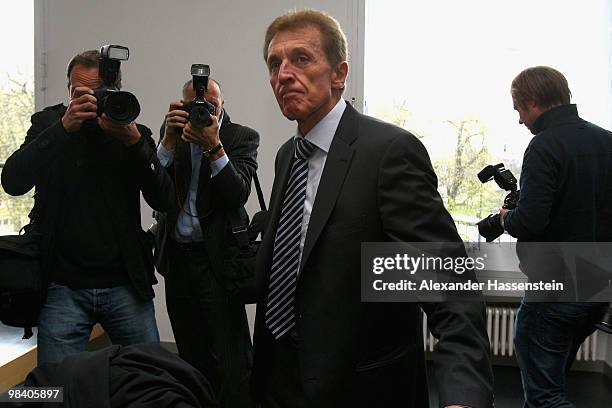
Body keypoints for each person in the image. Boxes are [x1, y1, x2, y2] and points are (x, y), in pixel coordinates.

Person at [251, 9, 494, 408]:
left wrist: (463, 396)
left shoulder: (388, 152)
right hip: (277, 378)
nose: (283, 74)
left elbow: (451, 286)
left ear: (339, 74)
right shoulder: (286, 157)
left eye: (301, 58)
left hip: (361, 388)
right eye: (274, 63)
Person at [0, 49, 173, 364]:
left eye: (99, 94)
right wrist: (64, 128)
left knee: (152, 382)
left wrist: (134, 143)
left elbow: (164, 200)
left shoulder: (130, 130)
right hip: (62, 285)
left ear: (115, 92)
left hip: (125, 285)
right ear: (68, 91)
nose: (90, 102)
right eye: (79, 94)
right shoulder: (50, 124)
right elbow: (12, 181)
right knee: (54, 390)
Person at [500, 66, 612, 408]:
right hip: (597, 287)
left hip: (555, 288)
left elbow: (530, 222)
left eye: (519, 109)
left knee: (546, 396)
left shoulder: (544, 146)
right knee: (549, 381)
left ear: (533, 101)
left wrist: (507, 219)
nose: (520, 120)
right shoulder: (606, 140)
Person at [155, 77, 259, 408]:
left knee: (231, 360)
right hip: (178, 260)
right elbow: (154, 186)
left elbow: (237, 195)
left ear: (222, 104)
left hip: (219, 263)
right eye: (195, 105)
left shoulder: (240, 136)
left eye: (211, 105)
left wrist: (214, 146)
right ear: (182, 106)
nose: (203, 111)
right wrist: (168, 142)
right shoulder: (174, 131)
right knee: (189, 354)